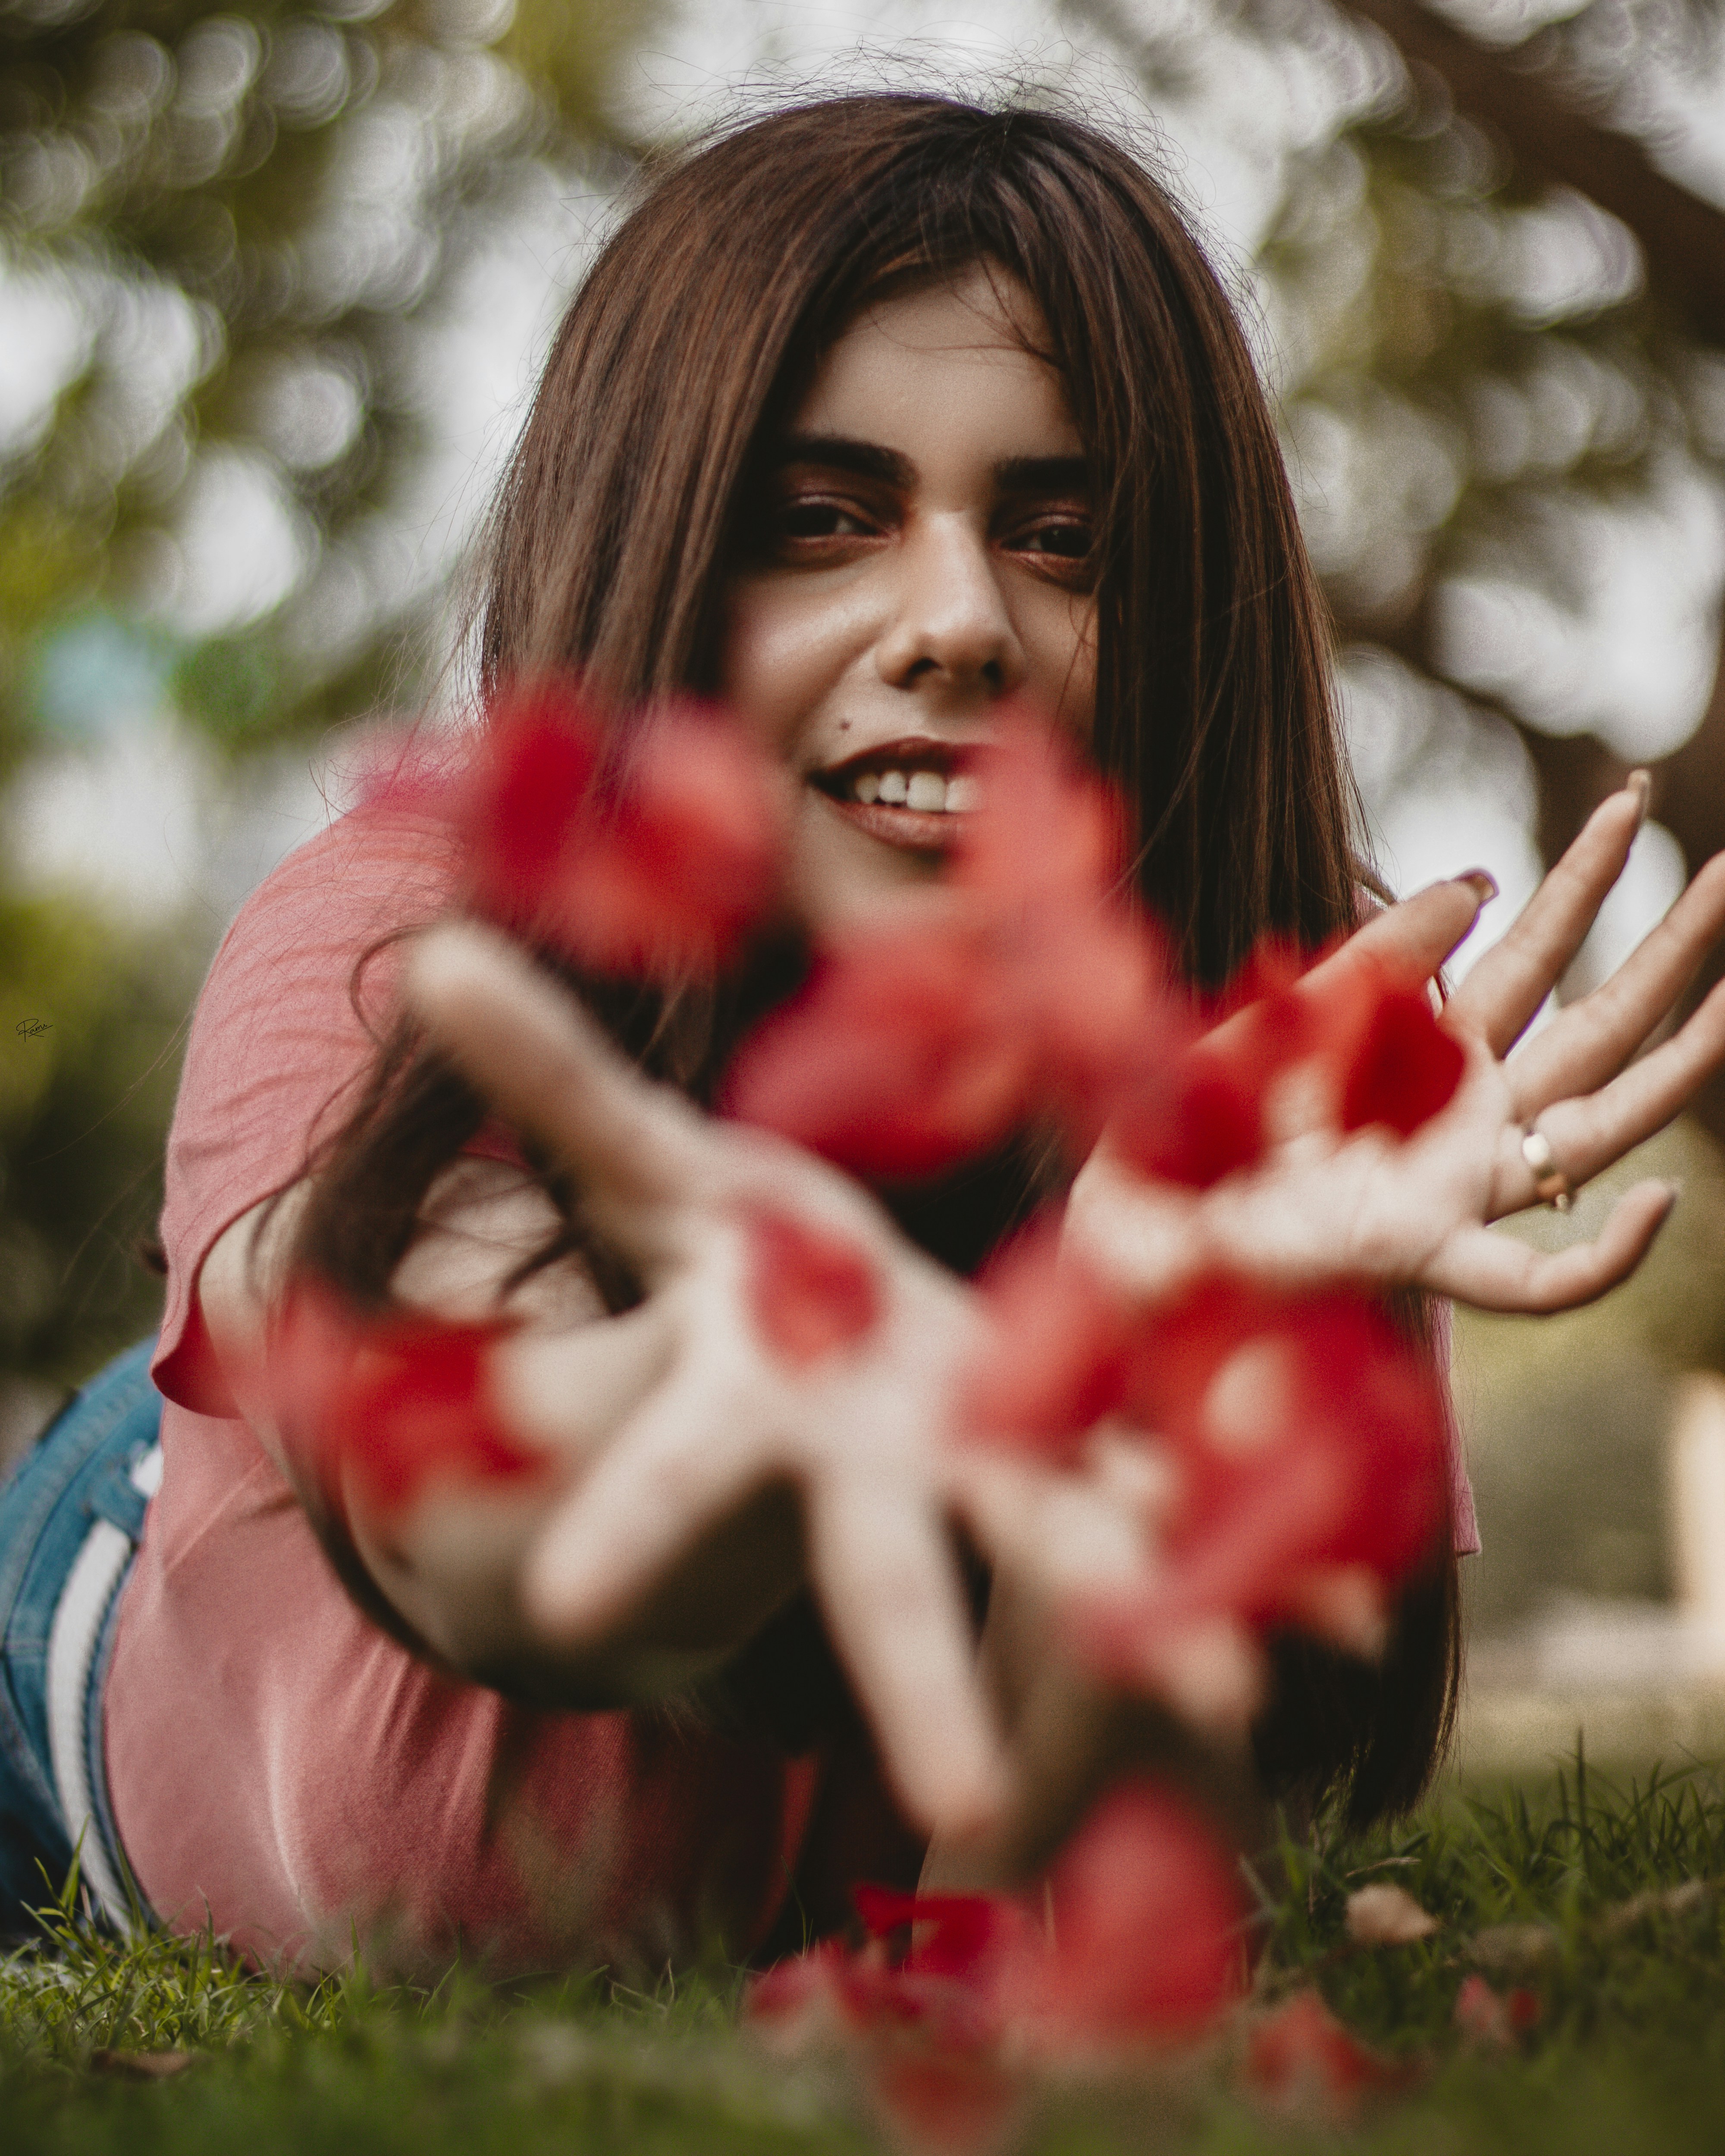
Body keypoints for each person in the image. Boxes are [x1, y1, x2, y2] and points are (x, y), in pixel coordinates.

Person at [5, 93, 1725, 1980]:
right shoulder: (403, 939)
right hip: (118, 1594)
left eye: (1064, 538)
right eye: (822, 520)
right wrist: (763, 1395)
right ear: (653, 548)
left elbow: (1045, 1929)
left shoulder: (1263, 1106)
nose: (959, 619)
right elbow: (471, 1489)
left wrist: (1135, 1304)